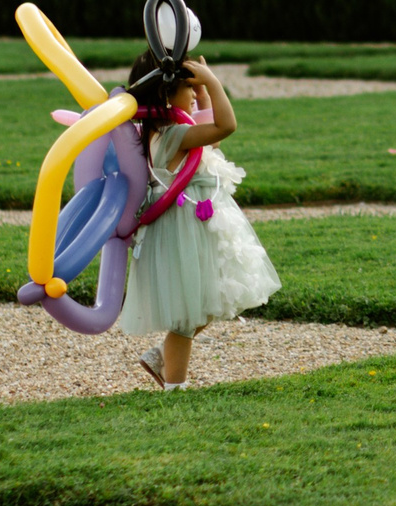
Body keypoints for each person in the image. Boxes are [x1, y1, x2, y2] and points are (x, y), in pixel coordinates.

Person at [117, 51, 282, 388]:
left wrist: (204, 93)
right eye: (189, 89)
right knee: (190, 313)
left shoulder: (163, 133)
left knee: (204, 304)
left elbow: (213, 136)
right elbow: (226, 126)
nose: (194, 94)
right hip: (185, 232)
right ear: (166, 94)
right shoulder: (173, 136)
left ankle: (161, 358)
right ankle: (175, 387)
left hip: (188, 229)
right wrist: (214, 82)